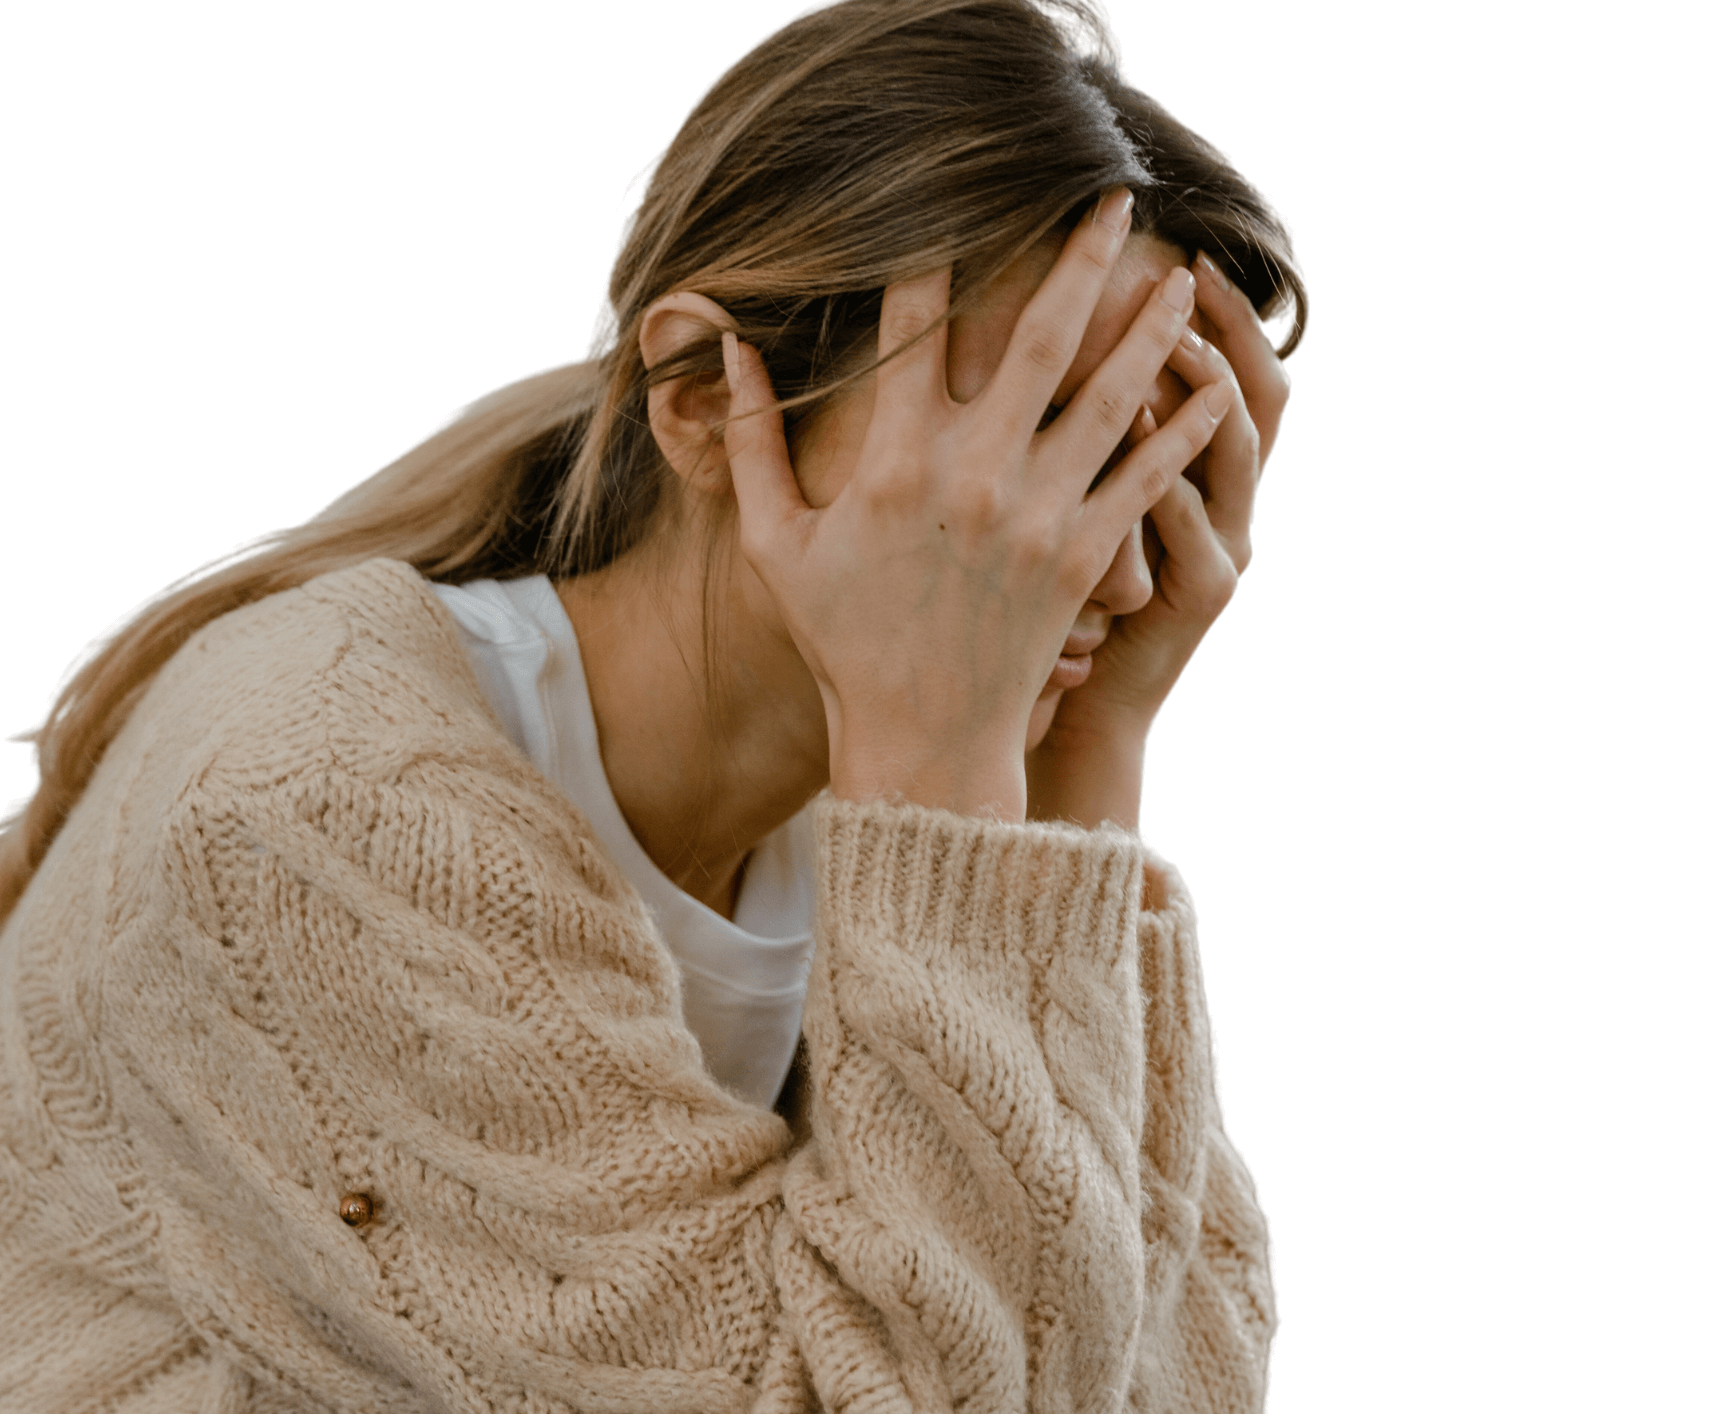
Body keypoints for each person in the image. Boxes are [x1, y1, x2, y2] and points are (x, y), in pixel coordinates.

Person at [0, 0, 1306, 1408]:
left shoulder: (900, 805)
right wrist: (968, 801)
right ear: (702, 401)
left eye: (1151, 453)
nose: (1096, 556)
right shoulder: (323, 809)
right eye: (1030, 435)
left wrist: (1085, 767)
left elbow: (1166, 1384)